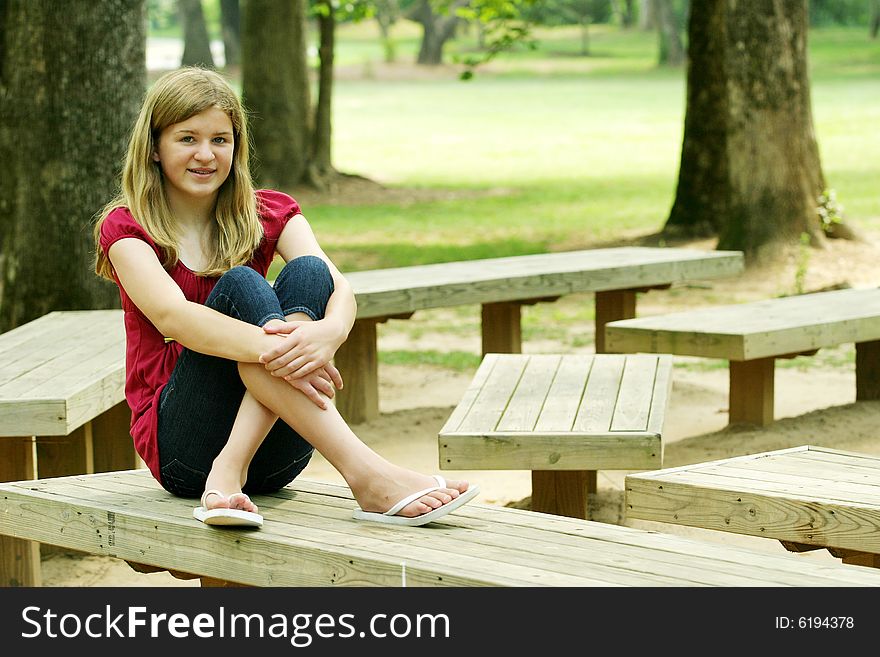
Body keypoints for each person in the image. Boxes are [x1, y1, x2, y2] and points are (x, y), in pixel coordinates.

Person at [93, 66, 477, 528]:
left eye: (220, 139)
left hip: (278, 457)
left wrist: (327, 335)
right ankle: (366, 473)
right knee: (242, 285)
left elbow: (340, 288)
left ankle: (232, 468)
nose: (205, 154)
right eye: (187, 138)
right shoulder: (126, 227)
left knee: (309, 272)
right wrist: (290, 350)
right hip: (184, 450)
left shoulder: (270, 212)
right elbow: (173, 318)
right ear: (154, 147)